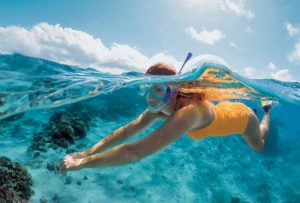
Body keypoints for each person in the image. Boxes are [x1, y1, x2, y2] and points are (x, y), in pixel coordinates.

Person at [60, 62, 271, 173]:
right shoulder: (162, 105)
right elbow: (127, 131)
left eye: (158, 89)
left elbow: (135, 152)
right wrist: (86, 152)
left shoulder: (189, 112)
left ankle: (266, 112)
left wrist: (84, 164)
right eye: (148, 88)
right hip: (224, 109)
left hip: (243, 119)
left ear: (173, 89)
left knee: (259, 145)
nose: (151, 97)